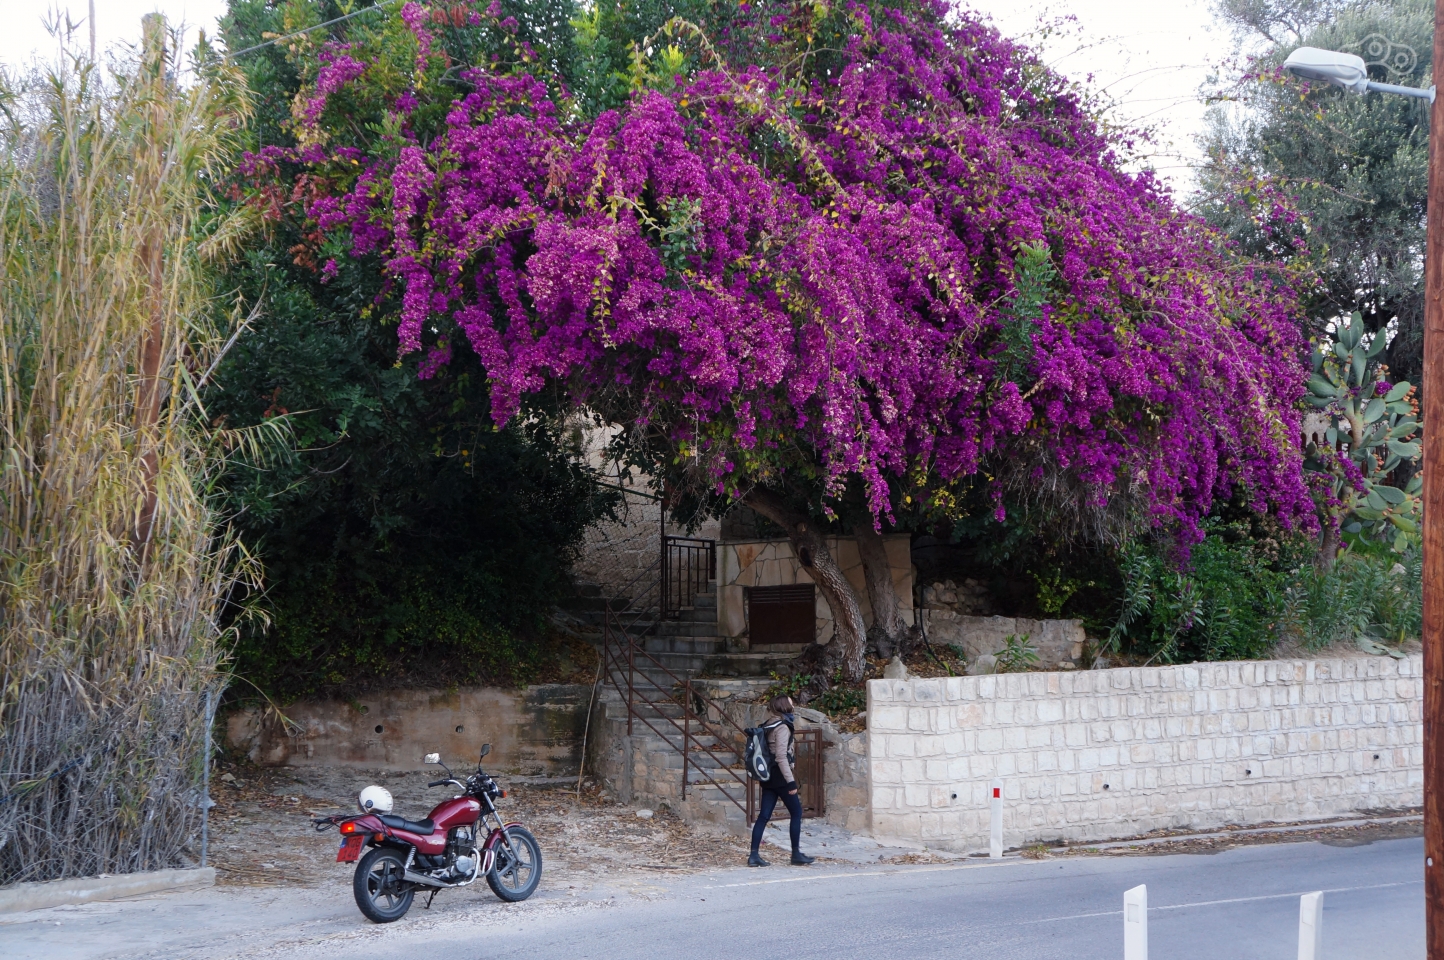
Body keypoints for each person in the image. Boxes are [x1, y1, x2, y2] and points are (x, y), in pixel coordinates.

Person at [748, 695, 814, 867]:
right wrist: (790, 782)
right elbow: (781, 757)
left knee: (763, 816)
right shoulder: (783, 727)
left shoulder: (768, 723)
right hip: (780, 777)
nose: (793, 705)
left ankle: (753, 855)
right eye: (791, 703)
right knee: (797, 813)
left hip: (768, 776)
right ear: (785, 707)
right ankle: (796, 854)